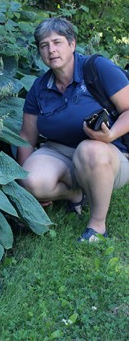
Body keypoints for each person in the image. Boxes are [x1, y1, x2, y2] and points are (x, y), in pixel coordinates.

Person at [16, 17, 129, 242]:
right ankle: (75, 193)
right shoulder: (39, 87)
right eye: (44, 45)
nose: (52, 50)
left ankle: (97, 226)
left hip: (106, 152)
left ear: (72, 44)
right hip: (57, 151)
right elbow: (27, 138)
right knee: (32, 181)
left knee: (90, 150)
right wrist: (22, 190)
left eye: (57, 42)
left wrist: (111, 134)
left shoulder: (97, 68)